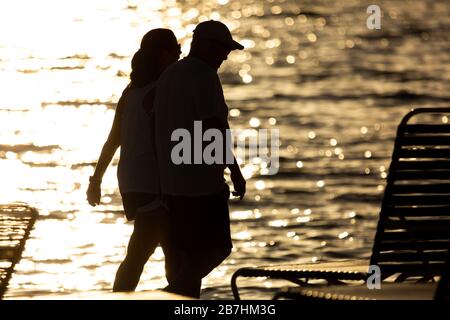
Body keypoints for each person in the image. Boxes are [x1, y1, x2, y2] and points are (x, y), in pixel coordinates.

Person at [153, 20, 246, 298]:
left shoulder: (170, 74)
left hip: (170, 183)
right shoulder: (204, 75)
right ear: (204, 46)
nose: (226, 55)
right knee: (218, 246)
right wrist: (235, 170)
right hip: (201, 185)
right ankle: (170, 291)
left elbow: (155, 123)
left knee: (181, 256)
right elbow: (213, 127)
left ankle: (179, 292)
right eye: (222, 49)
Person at [86, 29, 181, 292]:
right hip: (154, 182)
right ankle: (175, 298)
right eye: (176, 49)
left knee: (143, 247)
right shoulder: (160, 91)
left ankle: (129, 295)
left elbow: (111, 140)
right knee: (166, 252)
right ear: (163, 55)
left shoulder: (130, 92)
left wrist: (96, 181)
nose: (180, 54)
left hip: (131, 181)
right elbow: (163, 142)